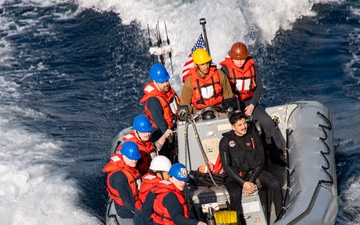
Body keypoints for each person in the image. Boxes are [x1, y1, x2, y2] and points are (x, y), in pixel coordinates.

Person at [219, 42, 286, 166]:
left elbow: (259, 87)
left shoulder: (252, 67)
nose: (239, 62)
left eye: (242, 59)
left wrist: (252, 105)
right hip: (234, 105)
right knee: (242, 129)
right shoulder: (225, 71)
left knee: (267, 122)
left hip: (250, 102)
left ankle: (277, 153)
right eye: (236, 59)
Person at [219, 111, 283, 224]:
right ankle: (238, 222)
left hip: (254, 171)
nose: (244, 127)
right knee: (234, 194)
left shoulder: (254, 135)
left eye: (245, 123)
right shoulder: (226, 141)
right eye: (240, 125)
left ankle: (281, 217)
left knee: (275, 184)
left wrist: (251, 181)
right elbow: (227, 166)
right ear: (233, 127)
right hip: (235, 176)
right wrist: (243, 183)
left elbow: (261, 161)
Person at [139, 64, 179, 162]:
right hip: (160, 132)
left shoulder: (169, 92)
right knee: (166, 155)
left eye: (167, 80)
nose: (166, 83)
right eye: (162, 82)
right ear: (155, 82)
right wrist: (170, 138)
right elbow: (160, 124)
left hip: (174, 126)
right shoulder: (153, 101)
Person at [179, 48, 234, 114]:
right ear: (197, 65)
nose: (205, 67)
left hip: (219, 111)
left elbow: (228, 94)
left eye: (207, 63)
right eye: (202, 64)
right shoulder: (190, 81)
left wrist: (228, 110)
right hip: (199, 114)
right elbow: (185, 102)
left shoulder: (219, 74)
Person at [103, 141, 142, 225]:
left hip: (135, 201)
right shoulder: (120, 177)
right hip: (126, 212)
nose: (135, 160)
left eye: (136, 158)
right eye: (132, 158)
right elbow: (128, 202)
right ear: (123, 156)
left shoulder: (129, 166)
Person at [133, 155, 172, 225]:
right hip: (144, 217)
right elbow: (146, 210)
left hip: (139, 211)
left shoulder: (148, 179)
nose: (169, 176)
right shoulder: (155, 189)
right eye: (167, 174)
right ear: (158, 173)